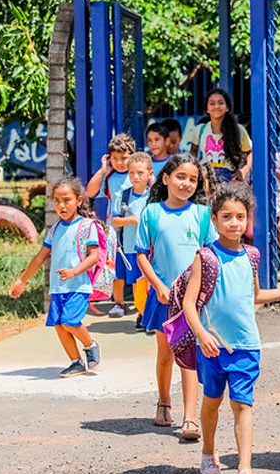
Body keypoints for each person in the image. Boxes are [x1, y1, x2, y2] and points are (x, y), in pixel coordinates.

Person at [183, 183, 280, 474]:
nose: (234, 223)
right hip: (212, 347)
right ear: (214, 218)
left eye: (240, 216)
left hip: (247, 345)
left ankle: (244, 469)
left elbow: (255, 295)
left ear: (247, 219)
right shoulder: (205, 256)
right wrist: (201, 334)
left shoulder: (252, 255)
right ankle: (209, 453)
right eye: (227, 216)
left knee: (242, 404)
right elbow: (188, 303)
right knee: (212, 402)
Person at [135, 154, 215, 439]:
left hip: (192, 300)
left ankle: (190, 418)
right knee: (167, 354)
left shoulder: (204, 215)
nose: (187, 183)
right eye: (181, 177)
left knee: (189, 354)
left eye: (193, 179)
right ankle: (164, 401)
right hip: (162, 296)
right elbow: (141, 254)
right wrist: (156, 285)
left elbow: (211, 255)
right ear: (166, 178)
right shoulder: (152, 213)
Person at [10, 177, 102, 377]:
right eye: (57, 201)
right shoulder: (55, 230)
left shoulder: (87, 226)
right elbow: (40, 257)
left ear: (79, 201)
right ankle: (76, 362)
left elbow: (94, 256)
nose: (62, 205)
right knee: (60, 326)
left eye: (67, 200)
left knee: (70, 322)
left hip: (78, 285)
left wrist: (74, 271)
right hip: (58, 288)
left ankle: (91, 345)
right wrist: (22, 280)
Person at [87, 133, 135, 306]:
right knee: (115, 268)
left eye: (124, 158)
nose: (119, 162)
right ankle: (119, 303)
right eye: (114, 158)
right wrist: (102, 171)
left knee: (137, 268)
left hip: (134, 229)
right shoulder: (109, 178)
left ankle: (140, 308)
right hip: (112, 231)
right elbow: (90, 192)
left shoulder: (136, 176)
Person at [108, 152, 152, 319]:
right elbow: (115, 220)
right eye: (132, 172)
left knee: (148, 282)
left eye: (140, 173)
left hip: (150, 249)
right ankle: (141, 313)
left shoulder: (154, 197)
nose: (136, 177)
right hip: (129, 247)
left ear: (150, 173)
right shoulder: (123, 195)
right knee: (136, 282)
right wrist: (132, 220)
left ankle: (147, 313)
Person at [190, 88, 252, 183]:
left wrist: (244, 170)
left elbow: (250, 153)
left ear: (227, 108)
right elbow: (193, 153)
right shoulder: (200, 130)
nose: (216, 106)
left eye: (220, 103)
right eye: (212, 103)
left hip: (229, 182)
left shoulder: (238, 130)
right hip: (206, 181)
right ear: (207, 109)